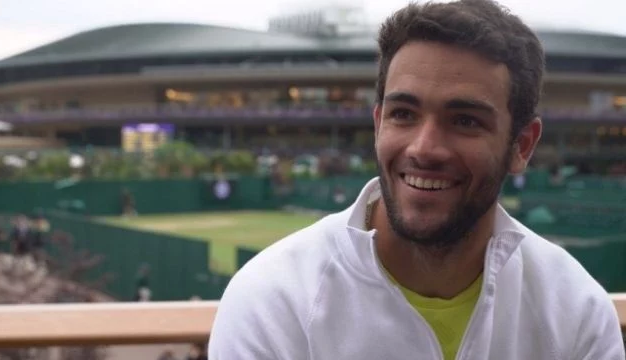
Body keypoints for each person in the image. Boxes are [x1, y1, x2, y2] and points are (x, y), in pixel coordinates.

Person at [208, 0, 625, 359]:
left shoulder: (576, 309)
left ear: (522, 145)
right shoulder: (272, 300)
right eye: (403, 114)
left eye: (465, 120)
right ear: (377, 124)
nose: (424, 149)